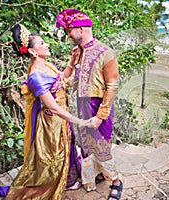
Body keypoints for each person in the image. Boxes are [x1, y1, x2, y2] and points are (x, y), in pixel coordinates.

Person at [0, 24, 87, 199]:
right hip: (51, 124)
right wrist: (80, 121)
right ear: (33, 52)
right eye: (42, 43)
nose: (47, 45)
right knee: (53, 159)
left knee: (67, 149)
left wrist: (72, 61)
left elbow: (63, 79)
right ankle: (49, 185)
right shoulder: (35, 77)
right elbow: (52, 106)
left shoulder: (48, 66)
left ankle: (68, 180)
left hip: (62, 118)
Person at [56, 8, 122, 200]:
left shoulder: (105, 52)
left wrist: (101, 116)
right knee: (86, 146)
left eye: (70, 31)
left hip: (99, 106)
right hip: (82, 105)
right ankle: (94, 176)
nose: (68, 35)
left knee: (102, 147)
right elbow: (71, 81)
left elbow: (113, 86)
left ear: (81, 29)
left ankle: (116, 182)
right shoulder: (79, 53)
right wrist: (72, 62)